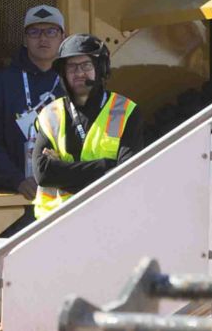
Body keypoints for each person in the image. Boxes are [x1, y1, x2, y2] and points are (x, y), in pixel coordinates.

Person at [27, 33, 137, 219]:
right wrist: (105, 166)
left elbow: (126, 174)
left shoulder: (126, 111)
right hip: (55, 223)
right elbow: (44, 175)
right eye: (71, 67)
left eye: (86, 65)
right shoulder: (50, 115)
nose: (79, 73)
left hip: (108, 219)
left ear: (100, 68)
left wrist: (63, 170)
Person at [0, 4, 67, 207]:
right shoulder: (1, 84)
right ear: (24, 39)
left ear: (62, 37)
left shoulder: (72, 81)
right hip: (17, 195)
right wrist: (17, 180)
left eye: (51, 31)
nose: (43, 38)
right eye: (34, 32)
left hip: (66, 194)